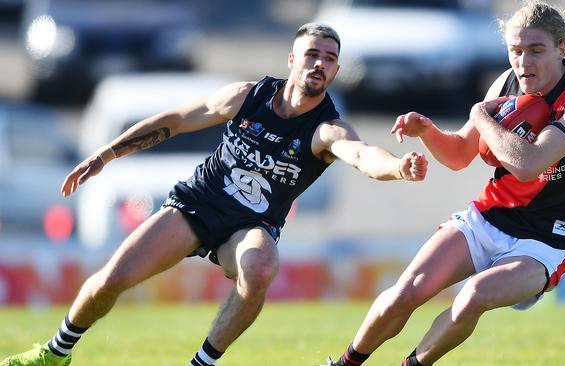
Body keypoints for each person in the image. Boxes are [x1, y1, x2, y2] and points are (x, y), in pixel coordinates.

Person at [1, 23, 428, 366]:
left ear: (335, 71)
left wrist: (397, 167)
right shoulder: (248, 96)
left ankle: (202, 363)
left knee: (261, 267)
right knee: (111, 281)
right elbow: (178, 119)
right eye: (313, 54)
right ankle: (54, 352)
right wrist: (108, 153)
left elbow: (361, 154)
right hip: (196, 205)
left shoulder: (325, 128)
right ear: (293, 58)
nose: (320, 64)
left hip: (249, 226)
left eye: (330, 59)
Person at [327, 2, 565, 365]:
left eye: (537, 51)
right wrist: (428, 132)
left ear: (562, 48)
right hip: (490, 218)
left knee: (473, 295)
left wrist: (480, 115)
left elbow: (527, 164)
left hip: (547, 242)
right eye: (516, 51)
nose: (524, 62)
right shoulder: (506, 83)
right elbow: (459, 155)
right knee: (405, 293)